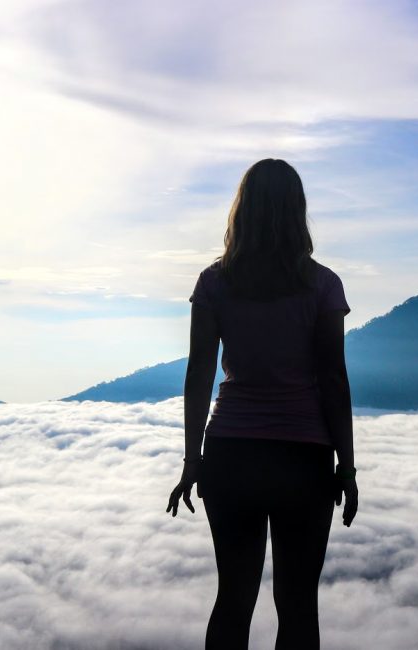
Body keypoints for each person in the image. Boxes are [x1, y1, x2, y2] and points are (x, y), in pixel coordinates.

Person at [165, 158, 359, 650]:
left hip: (231, 453)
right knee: (298, 606)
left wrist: (193, 461)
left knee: (233, 598)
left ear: (241, 210)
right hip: (303, 458)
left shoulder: (214, 283)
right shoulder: (323, 285)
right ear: (298, 211)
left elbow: (198, 376)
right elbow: (334, 381)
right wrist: (348, 467)